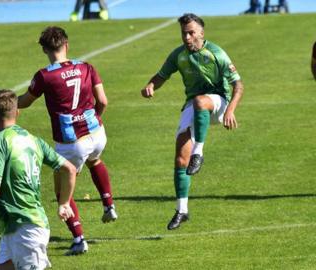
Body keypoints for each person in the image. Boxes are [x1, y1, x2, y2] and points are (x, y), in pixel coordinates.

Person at [18, 26, 117, 255]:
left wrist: (6, 103)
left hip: (71, 142)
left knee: (63, 190)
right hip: (97, 133)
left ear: (44, 49)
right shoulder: (86, 67)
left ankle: (79, 238)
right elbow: (103, 100)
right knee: (95, 161)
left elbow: (25, 101)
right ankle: (108, 204)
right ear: (66, 45)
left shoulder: (44, 75)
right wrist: (95, 119)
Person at [141, 13, 244, 230]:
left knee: (200, 101)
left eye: (191, 33)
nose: (187, 38)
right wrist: (151, 85)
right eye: (184, 33)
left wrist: (231, 111)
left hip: (218, 102)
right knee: (180, 158)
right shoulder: (178, 55)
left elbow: (238, 85)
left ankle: (199, 152)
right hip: (194, 105)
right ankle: (182, 210)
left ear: (201, 33)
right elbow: (161, 76)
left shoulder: (216, 53)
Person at [0, 89, 76, 270]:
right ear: (17, 112)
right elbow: (70, 169)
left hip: (25, 228)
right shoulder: (34, 140)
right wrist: (64, 203)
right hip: (15, 226)